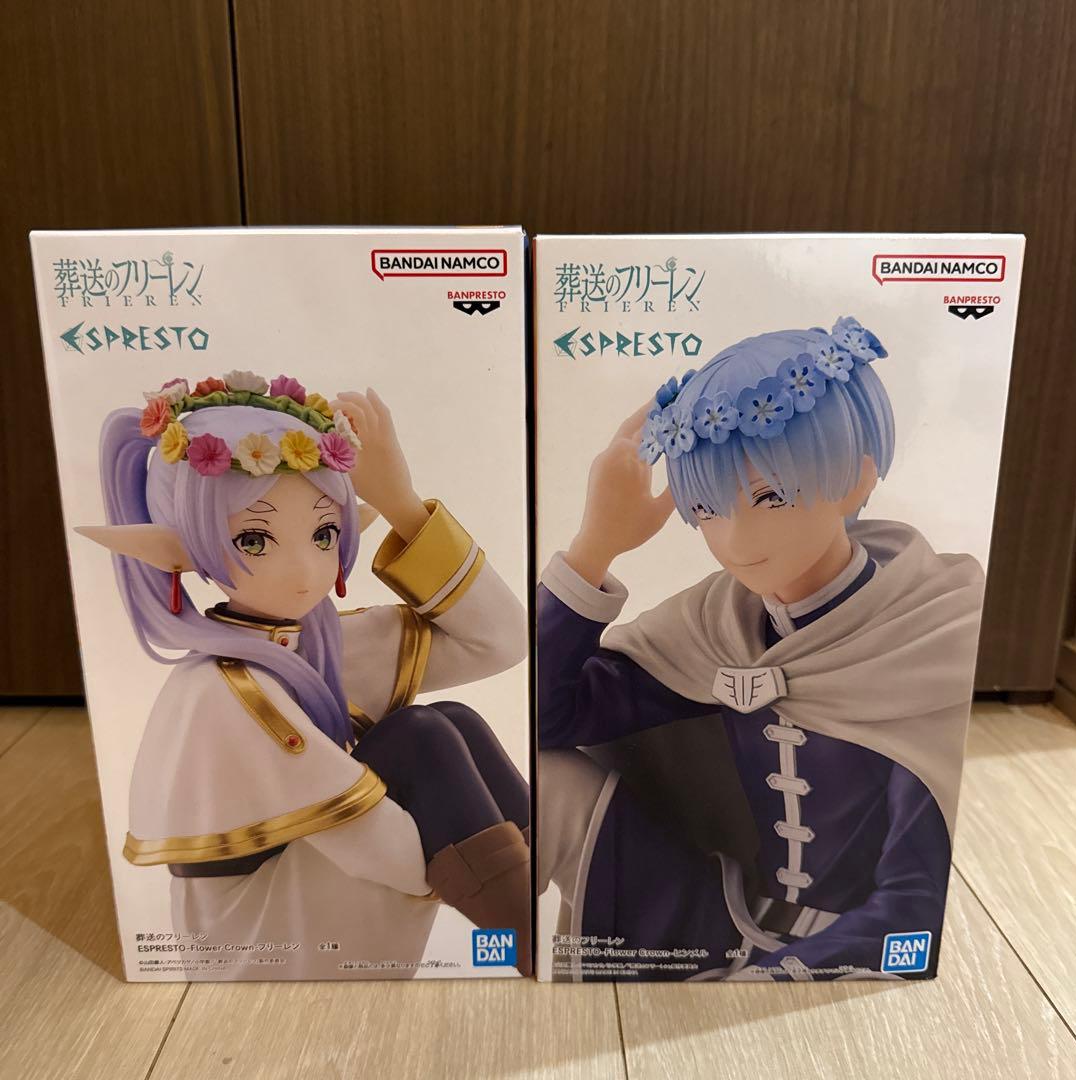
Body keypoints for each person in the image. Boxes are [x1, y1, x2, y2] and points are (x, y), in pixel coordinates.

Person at [537, 318, 984, 981]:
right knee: (547, 779)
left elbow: (912, 902)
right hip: (717, 919)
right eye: (709, 509)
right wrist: (595, 546)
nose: (736, 539)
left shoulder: (929, 637)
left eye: (770, 497)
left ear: (857, 479)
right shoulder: (714, 626)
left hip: (847, 953)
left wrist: (770, 980)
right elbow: (546, 719)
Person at [80, 372, 530, 979]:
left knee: (453, 721)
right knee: (422, 738)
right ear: (179, 549)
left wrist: (402, 503)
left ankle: (538, 909)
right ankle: (529, 940)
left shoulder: (324, 644)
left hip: (335, 887)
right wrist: (447, 845)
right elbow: (375, 848)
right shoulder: (220, 688)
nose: (303, 569)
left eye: (323, 534)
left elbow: (500, 640)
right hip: (264, 936)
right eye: (254, 539)